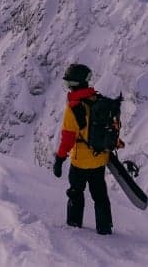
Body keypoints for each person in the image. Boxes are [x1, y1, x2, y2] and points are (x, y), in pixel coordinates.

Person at [52, 63, 113, 235]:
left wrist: (59, 159)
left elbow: (68, 139)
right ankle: (105, 228)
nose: (67, 88)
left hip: (80, 162)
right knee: (100, 196)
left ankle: (74, 225)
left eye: (68, 84)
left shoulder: (73, 109)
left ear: (76, 84)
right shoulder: (99, 101)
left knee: (76, 192)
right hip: (100, 159)